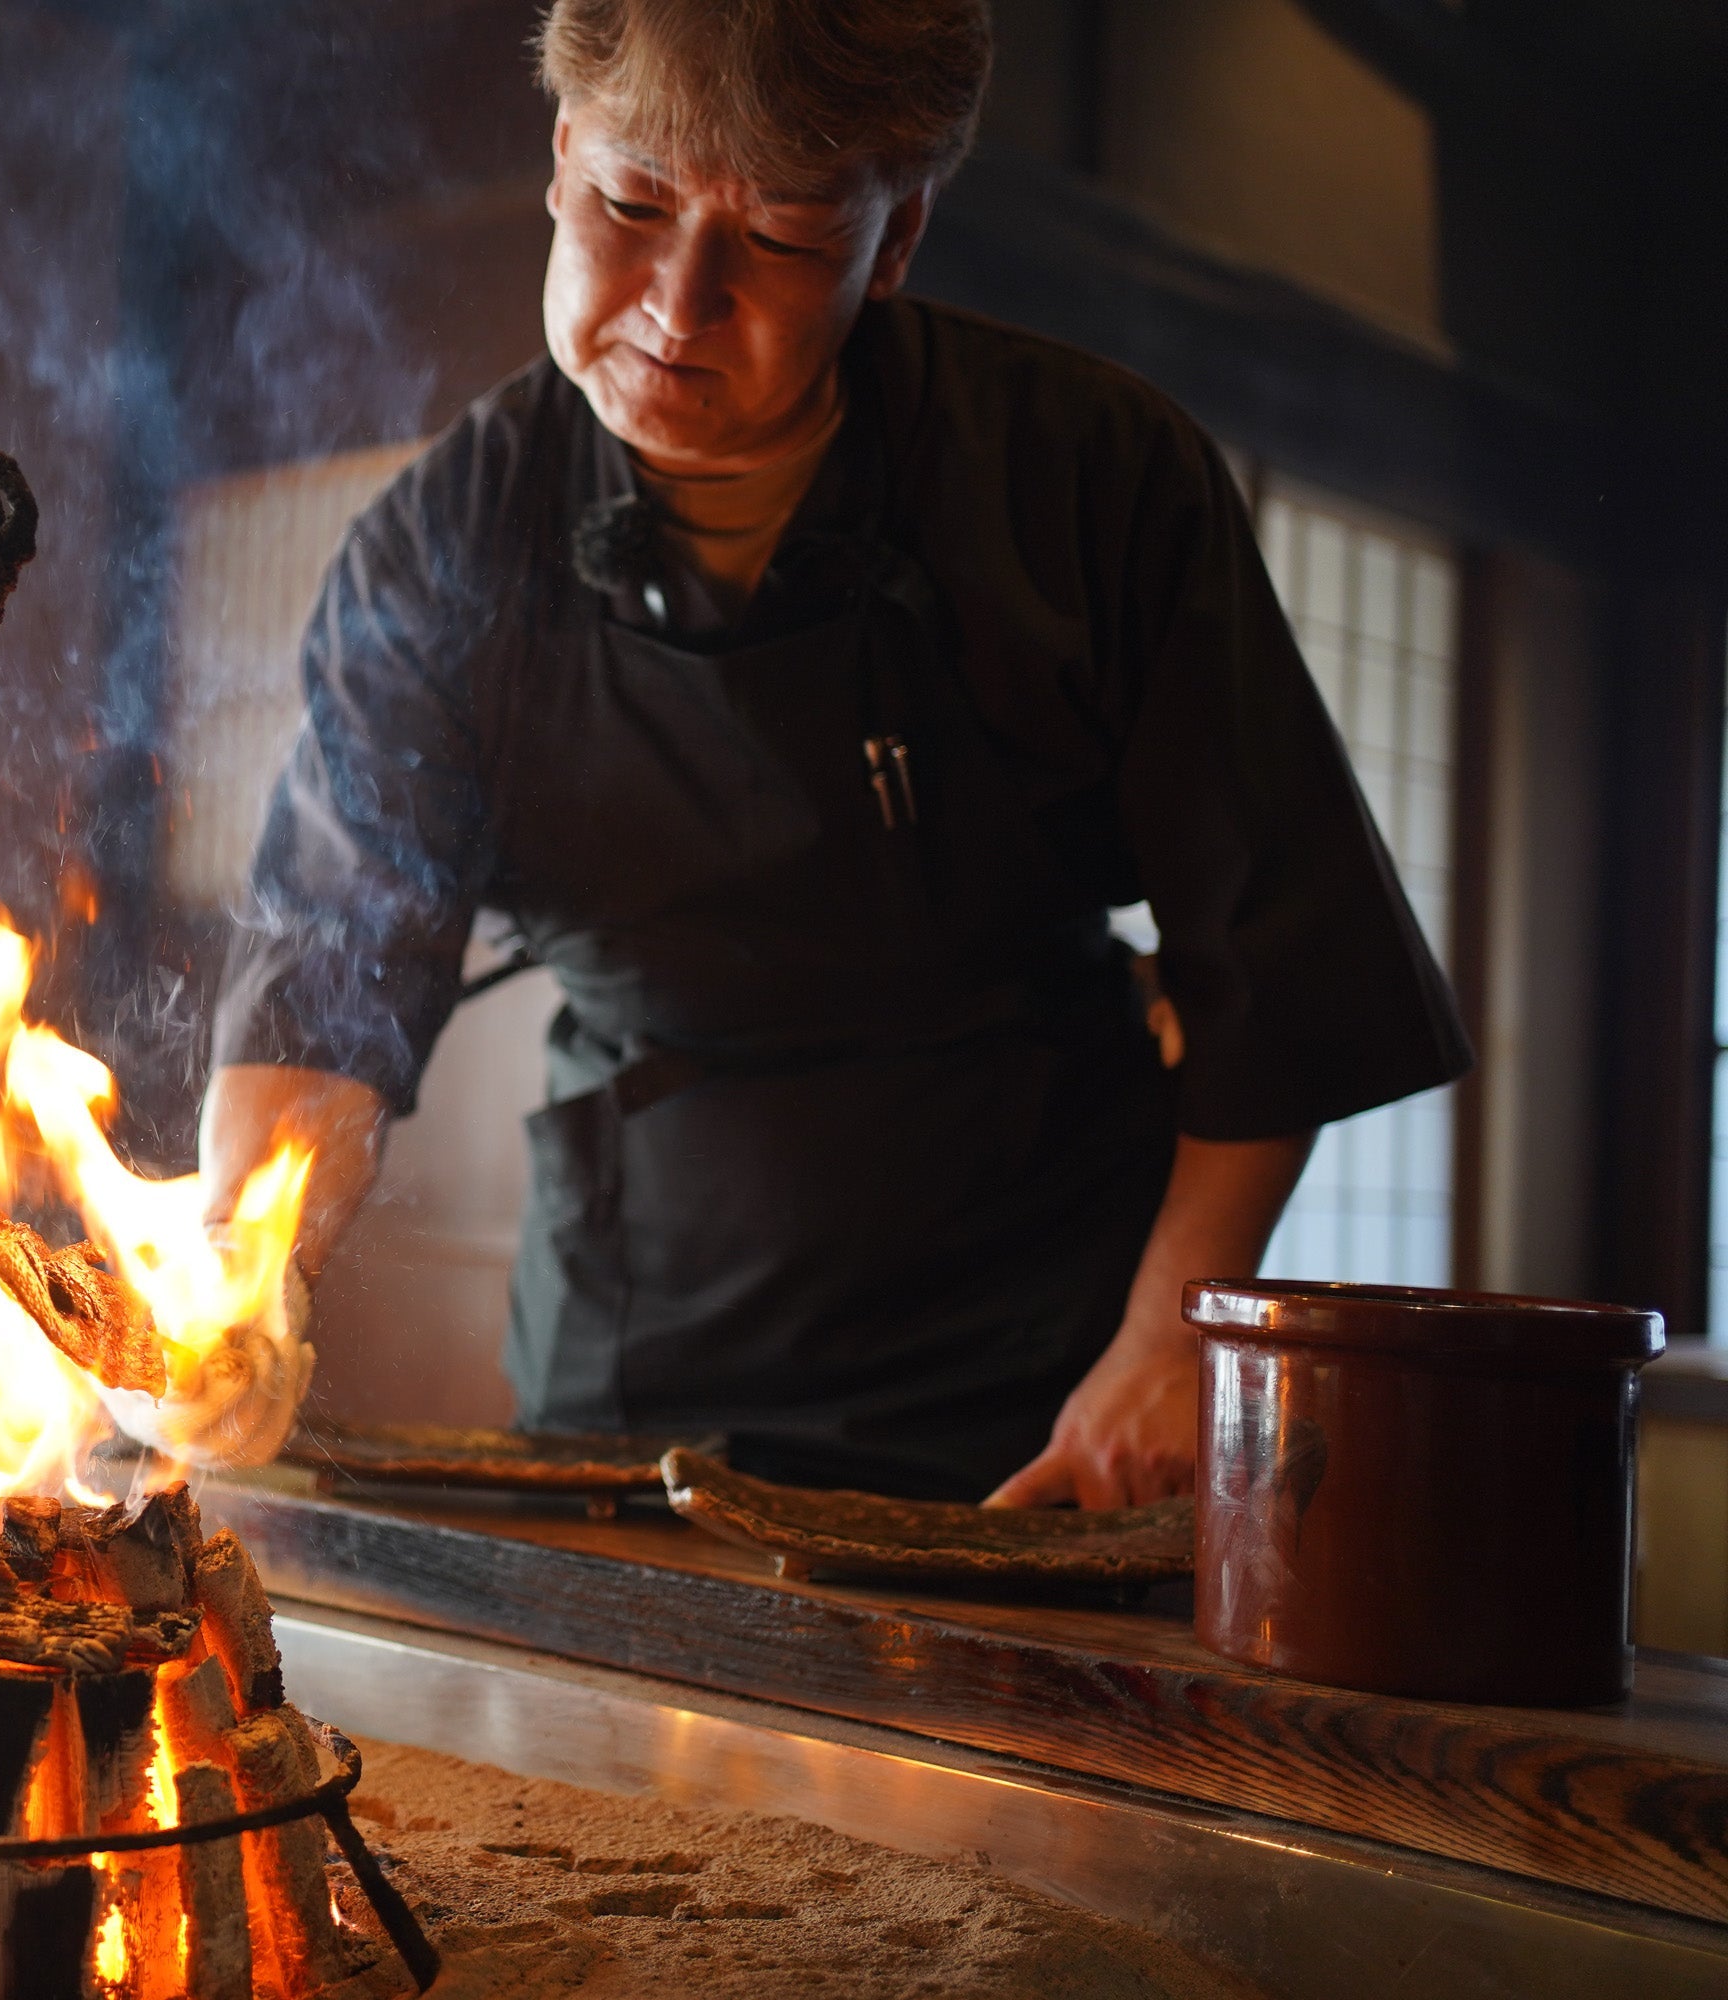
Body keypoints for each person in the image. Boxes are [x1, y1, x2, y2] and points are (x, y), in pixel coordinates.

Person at [123, 0, 1469, 1506]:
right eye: (632, 205)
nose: (678, 305)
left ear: (892, 246)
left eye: (776, 240)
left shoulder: (1093, 480)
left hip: (1048, 1361)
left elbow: (1275, 975)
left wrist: (1170, 1343)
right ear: (566, 159)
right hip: (637, 1358)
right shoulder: (444, 546)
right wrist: (230, 1291)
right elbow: (324, 989)